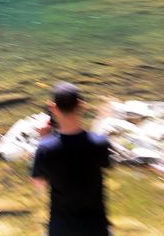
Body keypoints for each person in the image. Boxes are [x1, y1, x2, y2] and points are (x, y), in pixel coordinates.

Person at [31, 82, 111, 236]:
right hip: (96, 226)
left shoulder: (46, 148)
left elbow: (38, 183)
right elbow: (104, 166)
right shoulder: (100, 143)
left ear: (52, 108)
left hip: (62, 228)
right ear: (81, 105)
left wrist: (44, 138)